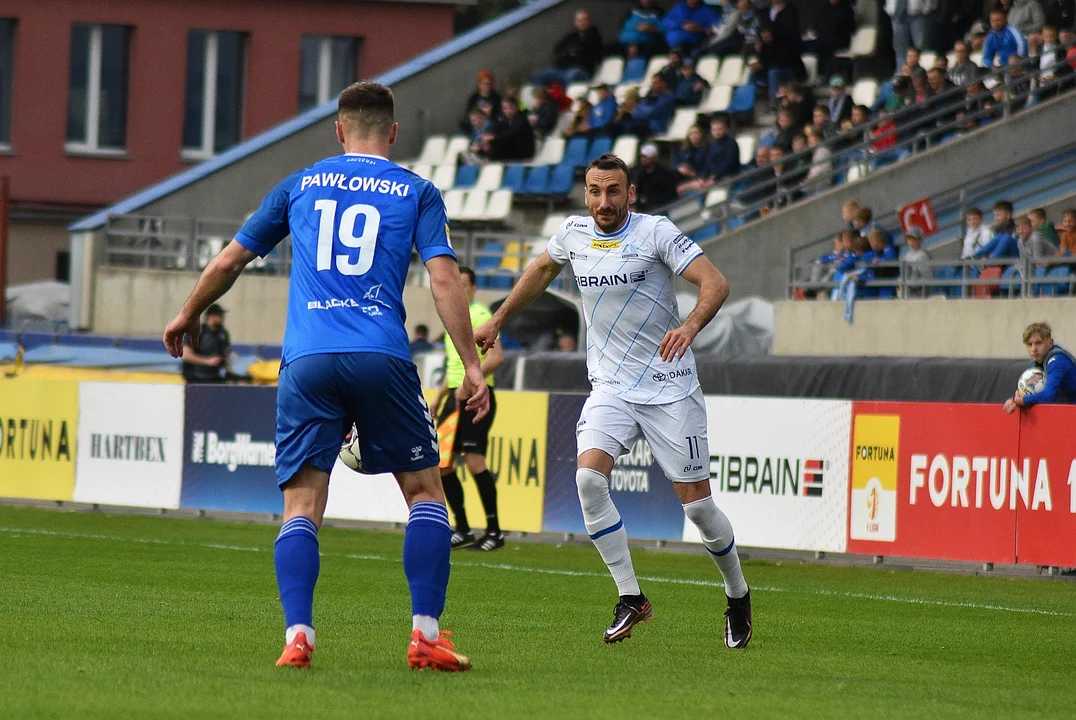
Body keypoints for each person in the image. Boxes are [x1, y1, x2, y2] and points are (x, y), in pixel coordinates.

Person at [163, 81, 490, 672]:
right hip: (382, 355)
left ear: (339, 130)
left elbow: (230, 259)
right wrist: (470, 365)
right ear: (393, 132)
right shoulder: (417, 190)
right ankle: (425, 636)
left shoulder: (301, 184)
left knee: (302, 506)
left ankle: (298, 637)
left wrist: (189, 314)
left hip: (308, 359)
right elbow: (443, 280)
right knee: (424, 494)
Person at [472, 153, 753, 649]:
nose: (604, 201)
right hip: (612, 389)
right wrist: (498, 320)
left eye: (614, 191)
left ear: (631, 194)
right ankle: (632, 597)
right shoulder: (574, 234)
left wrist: (689, 328)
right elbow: (540, 271)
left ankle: (737, 595)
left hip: (670, 388)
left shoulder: (656, 232)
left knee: (699, 510)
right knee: (587, 479)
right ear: (586, 194)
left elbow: (717, 282)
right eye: (596, 191)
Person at [434, 267, 505, 552]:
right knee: (443, 465)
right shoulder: (453, 318)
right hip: (453, 398)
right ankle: (462, 528)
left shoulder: (480, 316)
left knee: (475, 460)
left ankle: (494, 531)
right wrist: (439, 397)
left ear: (474, 289)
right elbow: (452, 367)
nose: (459, 289)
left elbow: (496, 357)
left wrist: (468, 381)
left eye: (464, 284)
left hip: (476, 396)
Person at [1004, 321, 1076, 413]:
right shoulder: (1037, 361)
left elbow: (1048, 395)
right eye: (1030, 344)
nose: (1034, 349)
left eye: (1038, 343)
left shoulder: (1057, 361)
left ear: (1050, 343)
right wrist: (1012, 399)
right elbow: (1027, 388)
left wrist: (1022, 401)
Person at [532, 10, 605, 87]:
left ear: (590, 21)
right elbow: (557, 49)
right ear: (575, 22)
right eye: (579, 21)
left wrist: (571, 53)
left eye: (585, 20)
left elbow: (587, 53)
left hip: (582, 70)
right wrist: (569, 53)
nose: (582, 23)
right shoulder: (572, 36)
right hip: (563, 68)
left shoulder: (594, 36)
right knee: (537, 76)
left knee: (571, 76)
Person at [181, 304, 231, 383]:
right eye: (219, 315)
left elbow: (225, 353)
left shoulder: (223, 333)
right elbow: (186, 355)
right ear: (211, 316)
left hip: (215, 377)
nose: (222, 318)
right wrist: (207, 361)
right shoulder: (197, 332)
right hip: (195, 377)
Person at [632, 143, 681, 211]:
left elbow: (670, 195)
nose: (643, 159)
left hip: (660, 208)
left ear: (654, 158)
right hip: (644, 207)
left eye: (646, 157)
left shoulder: (664, 174)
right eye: (642, 157)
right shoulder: (640, 173)